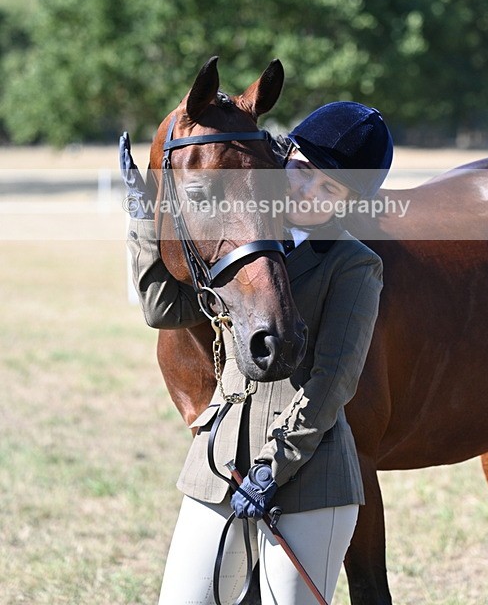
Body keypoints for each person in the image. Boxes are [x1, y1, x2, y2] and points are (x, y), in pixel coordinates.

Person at [120, 102, 393, 605]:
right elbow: (164, 309)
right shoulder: (240, 236)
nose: (305, 192)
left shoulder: (355, 265)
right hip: (218, 465)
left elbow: (333, 381)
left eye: (328, 189)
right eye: (302, 172)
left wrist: (274, 466)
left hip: (312, 477)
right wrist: (142, 212)